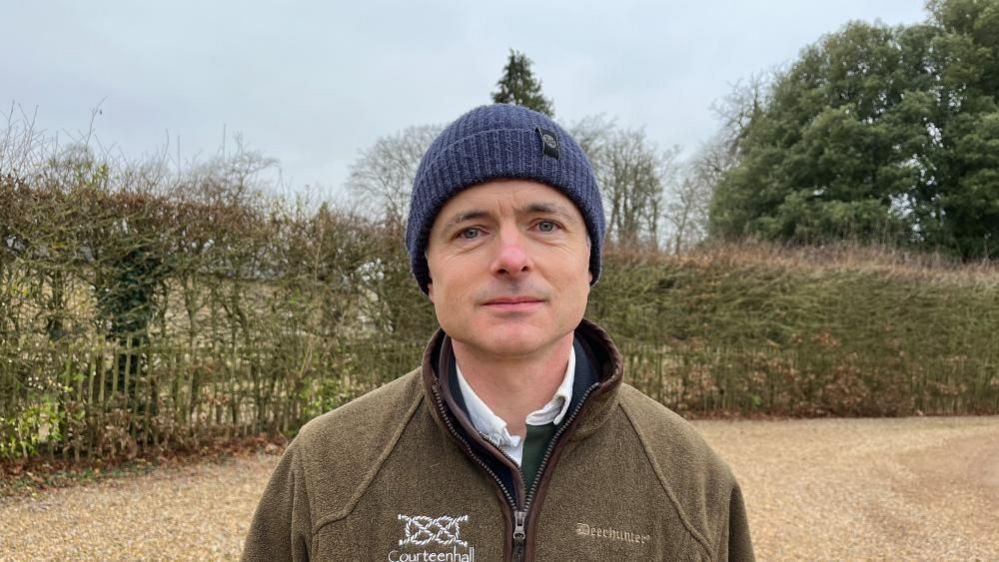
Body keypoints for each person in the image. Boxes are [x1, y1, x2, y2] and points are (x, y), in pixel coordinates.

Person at [242, 104, 754, 561]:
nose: (511, 258)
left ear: (589, 263)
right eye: (471, 231)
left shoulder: (692, 480)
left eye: (545, 225)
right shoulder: (327, 467)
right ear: (429, 275)